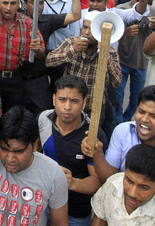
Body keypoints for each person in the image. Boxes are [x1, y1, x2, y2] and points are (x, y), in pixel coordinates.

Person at [0, 37, 70, 226]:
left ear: (34, 145)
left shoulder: (53, 174)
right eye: (5, 149)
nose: (9, 158)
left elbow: (59, 223)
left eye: (18, 151)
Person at [38, 76, 103, 226]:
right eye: (62, 99)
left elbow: (97, 181)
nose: (67, 106)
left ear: (84, 102)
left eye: (74, 101)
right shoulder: (43, 119)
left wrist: (71, 183)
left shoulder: (93, 135)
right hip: (43, 205)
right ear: (54, 99)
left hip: (75, 214)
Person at [114, 0, 155, 124]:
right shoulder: (121, 9)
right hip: (122, 61)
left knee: (136, 100)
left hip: (142, 63)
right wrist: (124, 33)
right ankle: (118, 126)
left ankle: (127, 120)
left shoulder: (153, 12)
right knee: (117, 99)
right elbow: (111, 37)